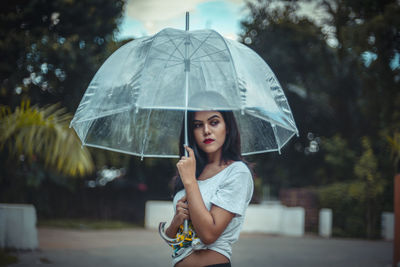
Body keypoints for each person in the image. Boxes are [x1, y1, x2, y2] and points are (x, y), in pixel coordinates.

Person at [163, 109, 254, 267]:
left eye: (214, 122)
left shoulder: (237, 172)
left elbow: (208, 234)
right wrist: (175, 222)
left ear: (228, 127)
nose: (206, 131)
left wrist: (190, 181)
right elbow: (177, 245)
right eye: (198, 125)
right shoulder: (190, 171)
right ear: (191, 132)